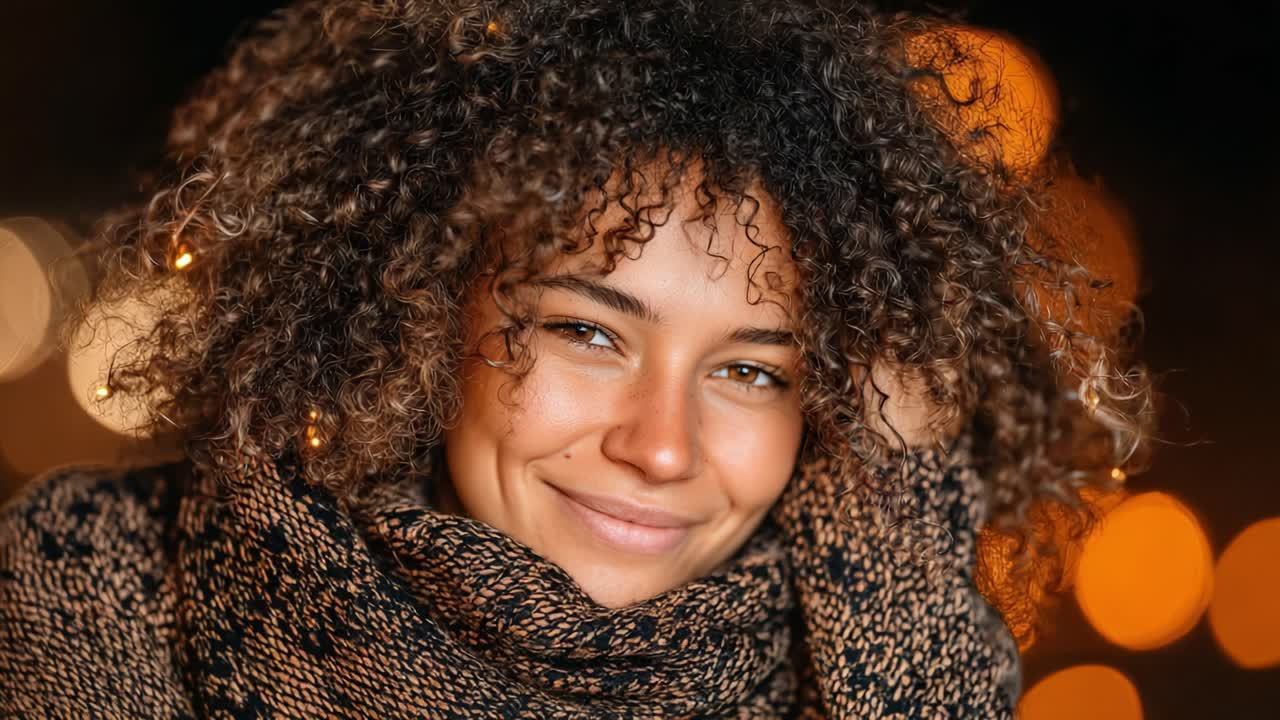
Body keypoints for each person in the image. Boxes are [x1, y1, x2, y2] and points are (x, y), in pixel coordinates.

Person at [0, 0, 1153, 716]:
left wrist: (899, 531)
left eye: (753, 371)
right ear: (418, 309)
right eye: (587, 332)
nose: (661, 449)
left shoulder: (884, 665)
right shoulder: (91, 587)